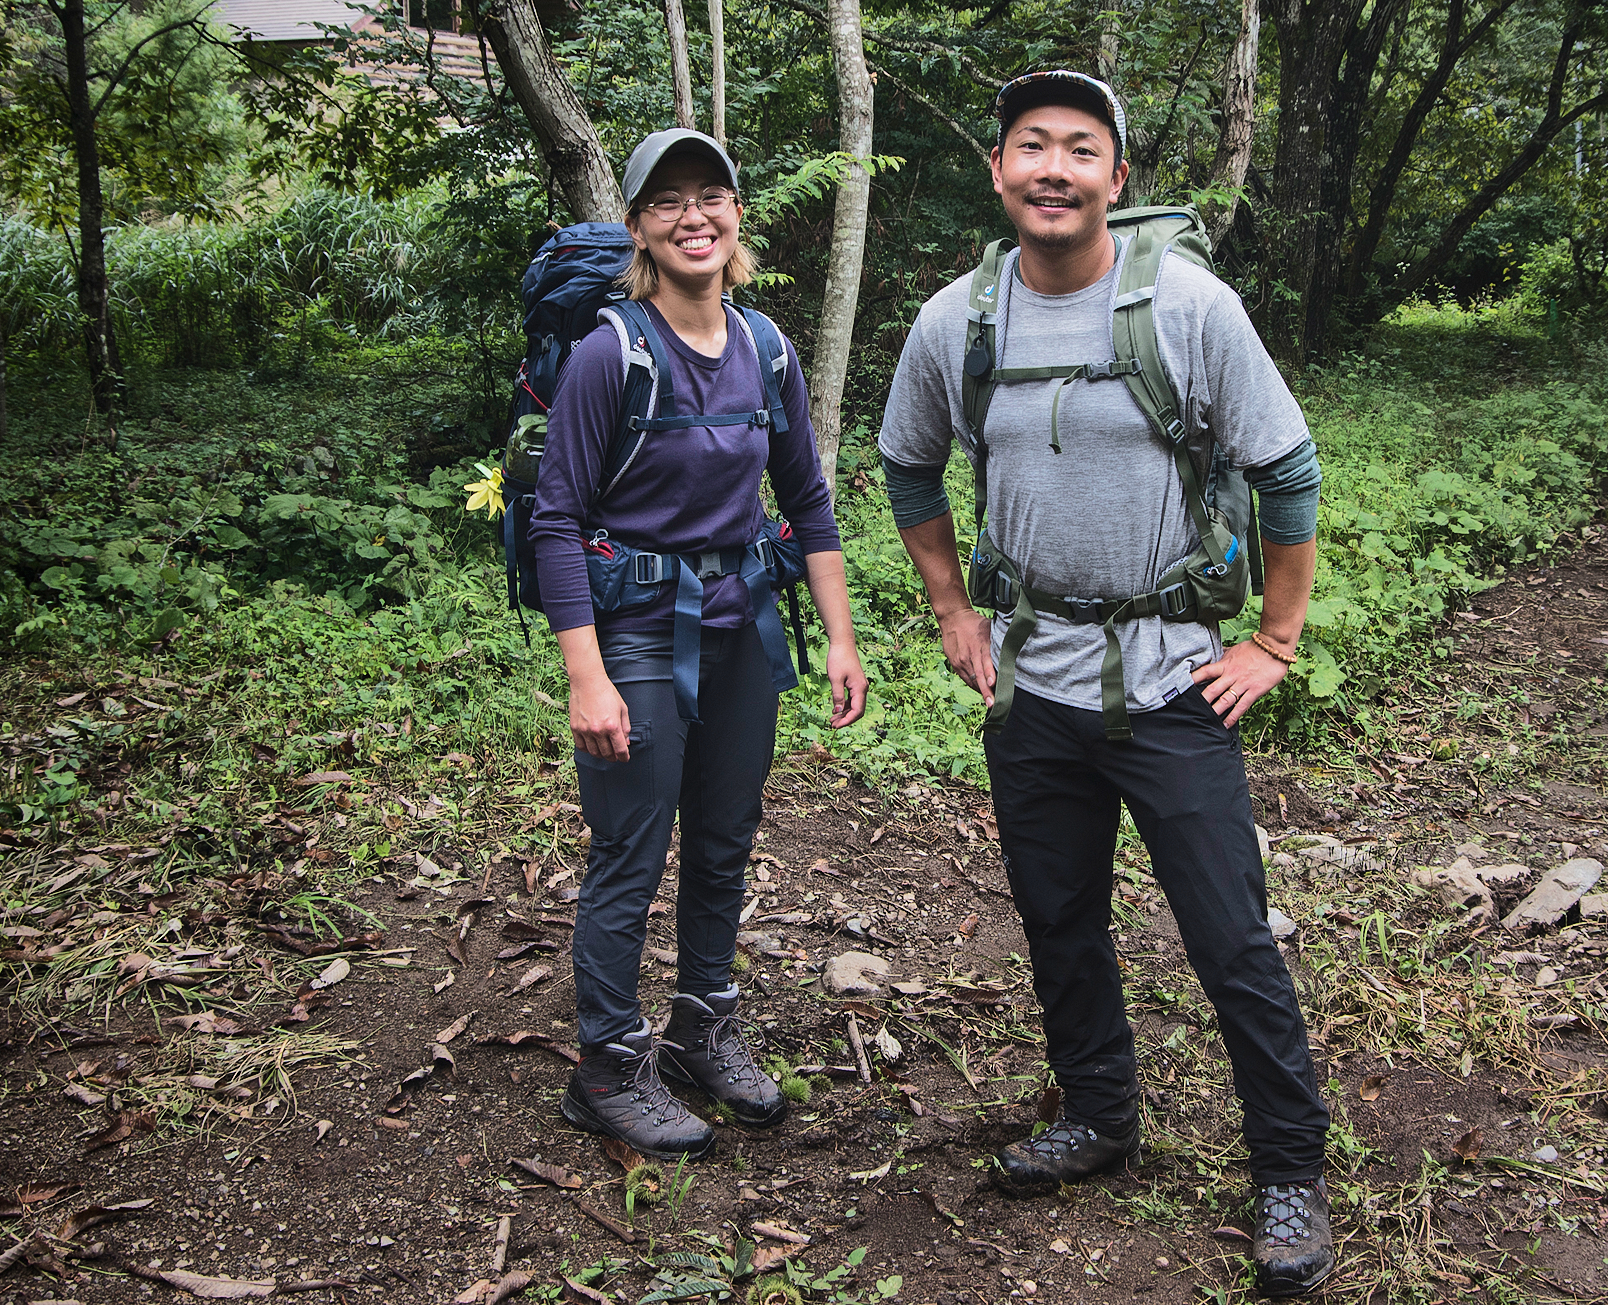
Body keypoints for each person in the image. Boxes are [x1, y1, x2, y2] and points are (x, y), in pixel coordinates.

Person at [876, 72, 1335, 1294]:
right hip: (1033, 686)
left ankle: (1289, 1167)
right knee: (1059, 918)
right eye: (1034, 145)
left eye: (1083, 149)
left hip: (1177, 682)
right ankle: (1098, 1113)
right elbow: (906, 467)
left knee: (1230, 936)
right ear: (999, 169)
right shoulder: (956, 323)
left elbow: (1287, 473)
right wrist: (949, 607)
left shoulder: (1189, 307)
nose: (1056, 168)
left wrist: (1274, 642)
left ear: (1115, 181)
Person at [531, 127, 868, 1160]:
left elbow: (807, 499)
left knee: (723, 838)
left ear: (735, 217)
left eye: (711, 195)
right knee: (631, 852)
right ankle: (607, 1063)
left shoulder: (766, 348)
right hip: (633, 631)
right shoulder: (611, 353)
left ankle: (702, 1026)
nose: (694, 216)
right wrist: (586, 677)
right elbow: (555, 519)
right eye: (669, 200)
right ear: (637, 225)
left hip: (742, 631)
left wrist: (842, 640)